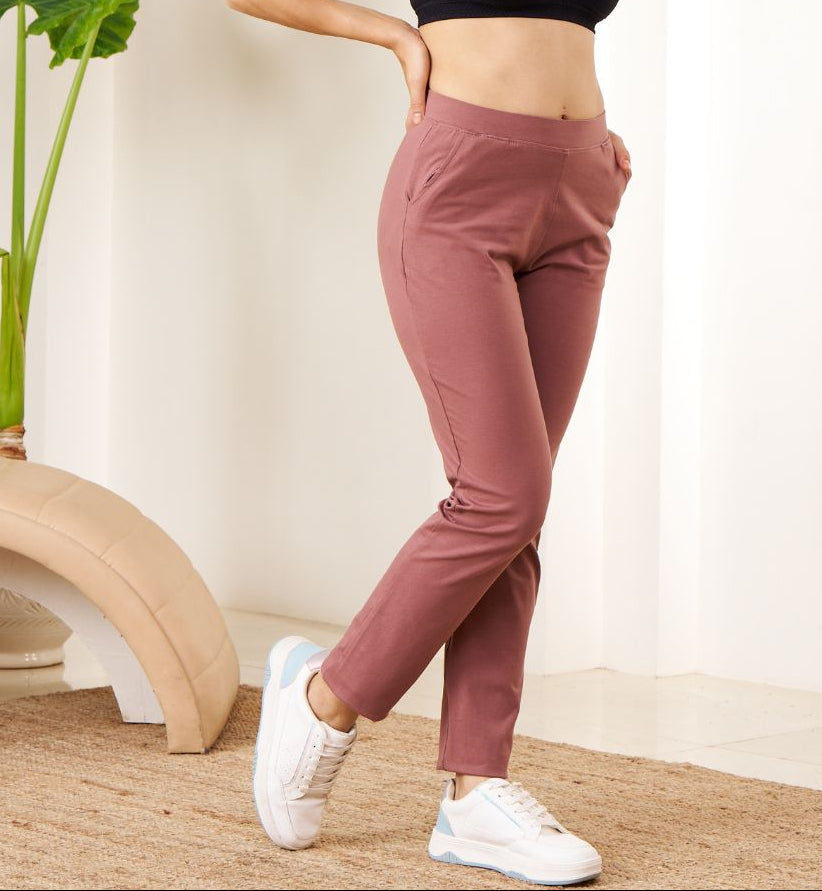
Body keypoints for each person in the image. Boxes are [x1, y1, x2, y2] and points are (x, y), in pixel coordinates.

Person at [227, 0, 631, 883]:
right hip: (458, 182)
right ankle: (325, 696)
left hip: (580, 183)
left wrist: (583, 150)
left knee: (516, 508)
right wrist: (392, 35)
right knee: (501, 493)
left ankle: (475, 796)